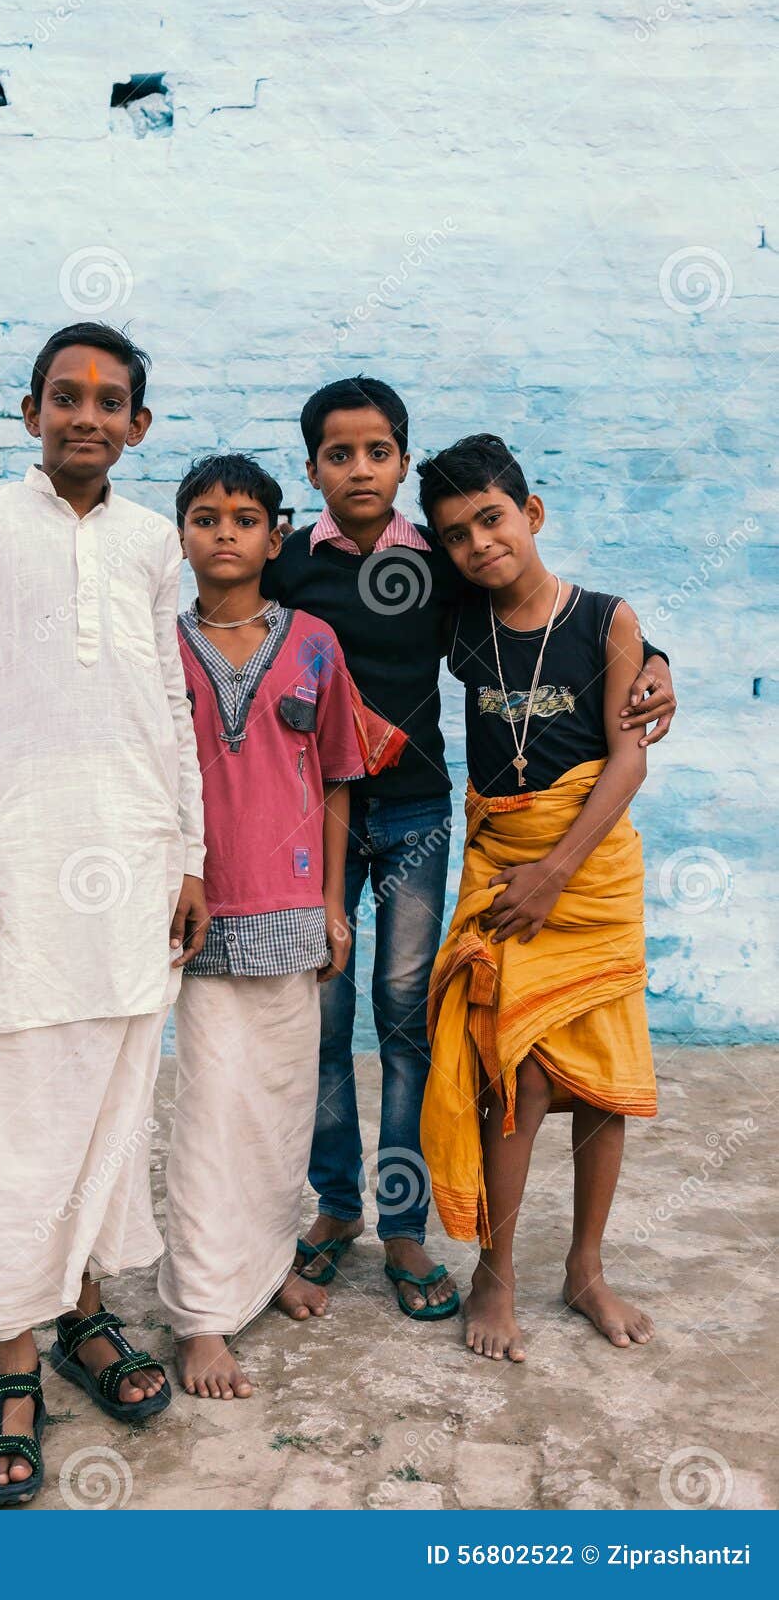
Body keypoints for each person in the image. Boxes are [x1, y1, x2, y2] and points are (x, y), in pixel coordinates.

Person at [261, 378, 677, 1321]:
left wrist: (657, 662)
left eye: (377, 452)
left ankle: (405, 1226)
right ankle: (335, 1210)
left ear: (402, 463)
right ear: (314, 467)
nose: (359, 469)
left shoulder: (445, 568)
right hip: (309, 823)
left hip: (417, 817)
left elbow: (568, 622)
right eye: (338, 454)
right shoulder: (290, 566)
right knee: (325, 1022)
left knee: (407, 1019)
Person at [0, 322, 209, 1506]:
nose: (87, 415)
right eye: (65, 396)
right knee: (22, 1106)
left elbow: (173, 711)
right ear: (29, 410)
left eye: (111, 401)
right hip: (21, 859)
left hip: (134, 858)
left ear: (138, 426)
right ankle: (10, 1359)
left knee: (110, 1098)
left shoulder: (148, 542)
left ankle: (83, 1314)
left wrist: (188, 855)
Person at [418, 433, 658, 1364]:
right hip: (498, 870)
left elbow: (626, 756)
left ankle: (586, 1269)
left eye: (491, 518)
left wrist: (555, 872)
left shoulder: (604, 620)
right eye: (455, 534)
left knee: (602, 1084)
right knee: (511, 1073)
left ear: (531, 514)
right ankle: (495, 1273)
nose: (478, 543)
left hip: (586, 874)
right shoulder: (459, 625)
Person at [157, 454, 364, 1398]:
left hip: (290, 910)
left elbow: (330, 782)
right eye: (205, 517)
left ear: (275, 538)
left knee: (283, 1106)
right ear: (182, 536)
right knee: (209, 1113)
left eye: (245, 518)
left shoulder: (314, 642)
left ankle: (272, 1260)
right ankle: (202, 1313)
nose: (225, 532)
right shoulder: (158, 644)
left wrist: (330, 905)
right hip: (195, 912)